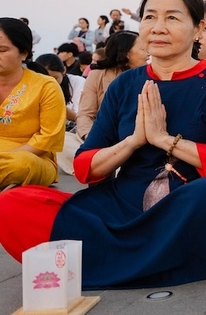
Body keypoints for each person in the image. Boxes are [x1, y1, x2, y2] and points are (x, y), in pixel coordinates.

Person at [0, 0, 206, 288]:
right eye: (149, 17)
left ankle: (106, 260)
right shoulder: (125, 85)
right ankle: (159, 258)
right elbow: (84, 167)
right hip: (124, 202)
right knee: (11, 204)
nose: (158, 28)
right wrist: (134, 140)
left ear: (198, 28)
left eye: (172, 18)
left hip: (185, 205)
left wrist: (165, 139)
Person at [0, 18, 65, 188]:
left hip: (32, 158)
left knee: (21, 164)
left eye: (2, 50)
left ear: (24, 53)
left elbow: (48, 138)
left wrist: (6, 156)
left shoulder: (46, 85)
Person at [76, 31, 148, 140]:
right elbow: (85, 114)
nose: (148, 54)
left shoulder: (149, 77)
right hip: (101, 138)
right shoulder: (96, 76)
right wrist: (91, 138)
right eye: (143, 49)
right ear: (126, 53)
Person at [35, 54, 86, 128]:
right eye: (43, 80)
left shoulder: (79, 83)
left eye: (54, 78)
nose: (50, 84)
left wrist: (59, 107)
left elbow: (82, 118)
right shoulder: (32, 85)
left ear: (64, 70)